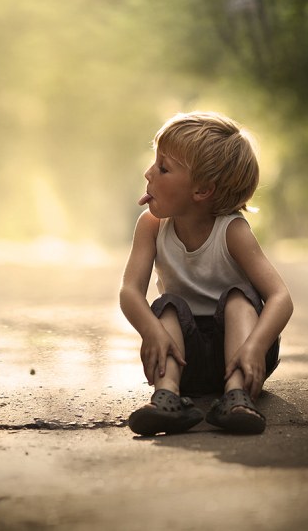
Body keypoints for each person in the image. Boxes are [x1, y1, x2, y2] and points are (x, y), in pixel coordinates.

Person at [119, 111, 293, 436]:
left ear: (201, 190)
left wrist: (255, 346)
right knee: (167, 306)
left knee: (238, 300)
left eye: (163, 168)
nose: (148, 172)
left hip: (243, 351)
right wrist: (151, 331)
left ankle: (236, 397)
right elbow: (130, 291)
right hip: (184, 358)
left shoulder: (232, 231)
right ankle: (167, 396)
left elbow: (280, 297)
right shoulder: (151, 226)